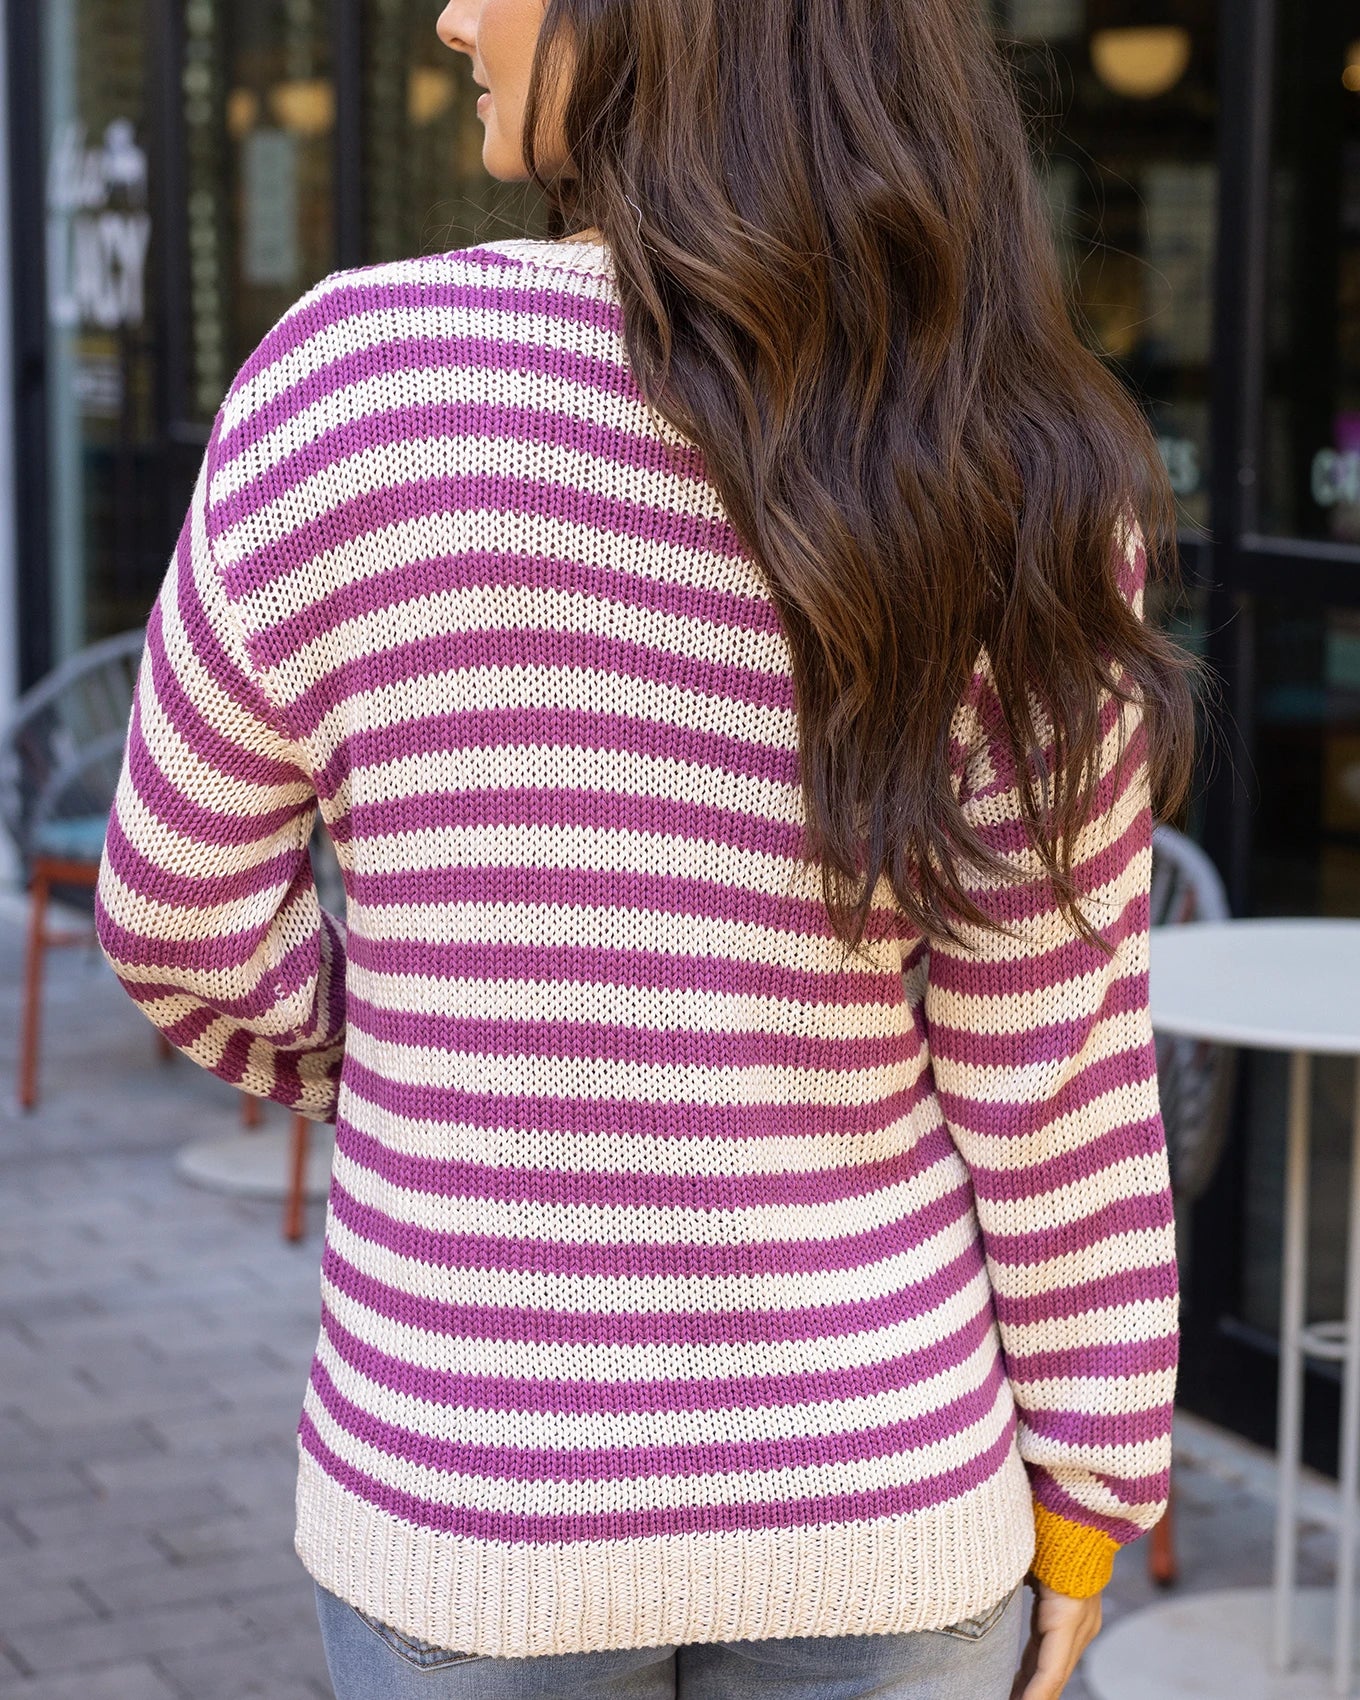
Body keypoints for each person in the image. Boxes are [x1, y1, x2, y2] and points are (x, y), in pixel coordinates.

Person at [95, 0, 1208, 1696]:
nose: (455, 13)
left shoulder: (350, 388)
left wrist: (424, 1060)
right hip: (881, 1502)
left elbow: (173, 910)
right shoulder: (1015, 461)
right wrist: (1090, 1501)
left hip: (471, 1500)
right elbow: (1050, 1071)